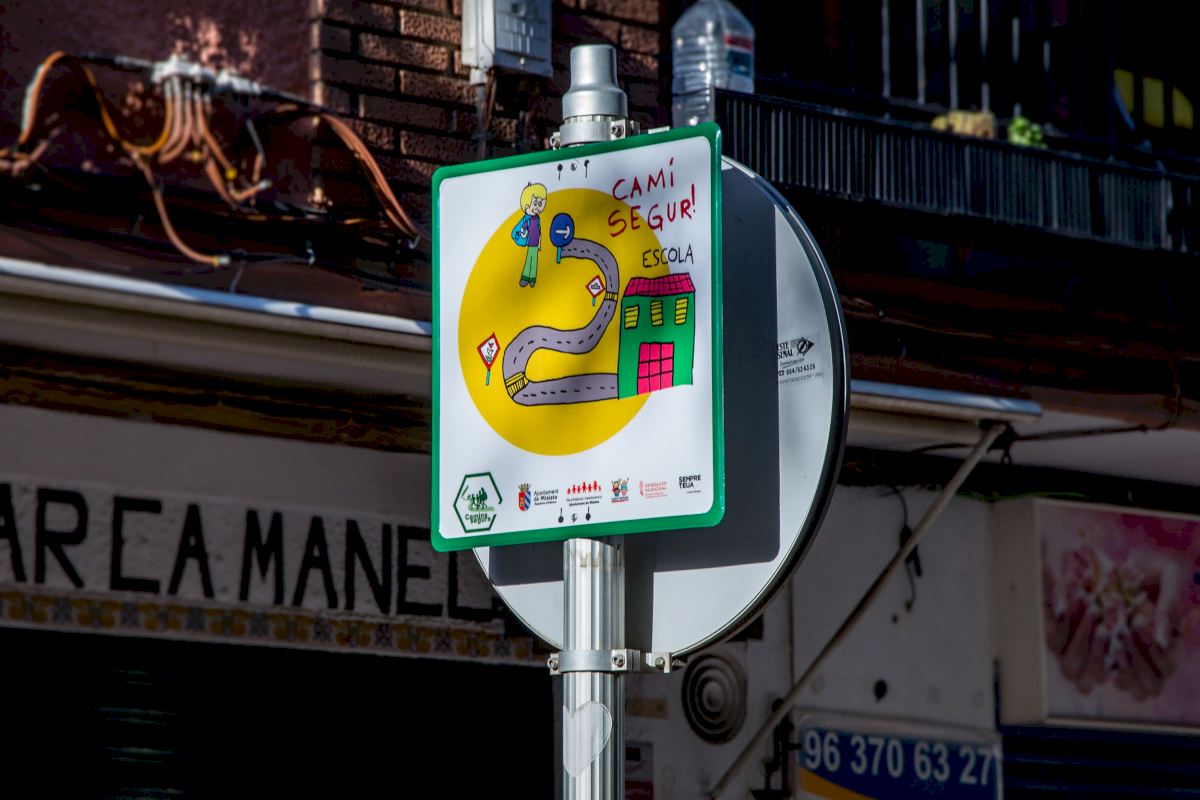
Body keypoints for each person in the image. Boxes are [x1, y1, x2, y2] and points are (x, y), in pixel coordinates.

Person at [511, 183, 547, 287]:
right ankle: (525, 277)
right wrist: (523, 234)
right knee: (529, 260)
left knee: (534, 261)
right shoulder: (527, 219)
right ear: (527, 205)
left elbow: (539, 231)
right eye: (535, 203)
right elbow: (522, 229)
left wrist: (539, 242)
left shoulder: (537, 218)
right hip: (530, 243)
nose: (537, 207)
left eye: (540, 204)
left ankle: (532, 278)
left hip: (535, 244)